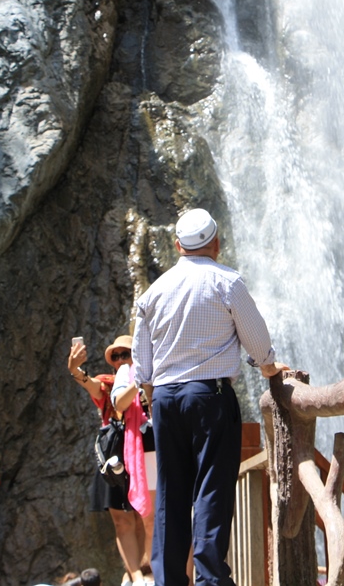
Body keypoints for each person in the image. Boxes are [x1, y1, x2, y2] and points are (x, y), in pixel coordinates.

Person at [123, 208, 289, 586]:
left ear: (178, 246)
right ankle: (211, 578)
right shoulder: (227, 282)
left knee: (171, 492)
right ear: (216, 243)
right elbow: (258, 340)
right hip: (210, 396)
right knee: (212, 488)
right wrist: (267, 367)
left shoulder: (152, 293)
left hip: (164, 398)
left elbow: (141, 363)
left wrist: (153, 395)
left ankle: (168, 580)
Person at [68, 335, 152, 586]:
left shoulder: (148, 381)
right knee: (122, 520)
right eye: (115, 356)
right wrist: (76, 371)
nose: (120, 360)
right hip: (115, 457)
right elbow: (91, 385)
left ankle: (147, 570)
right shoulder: (108, 385)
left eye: (125, 354)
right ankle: (134, 574)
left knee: (143, 515)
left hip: (143, 452)